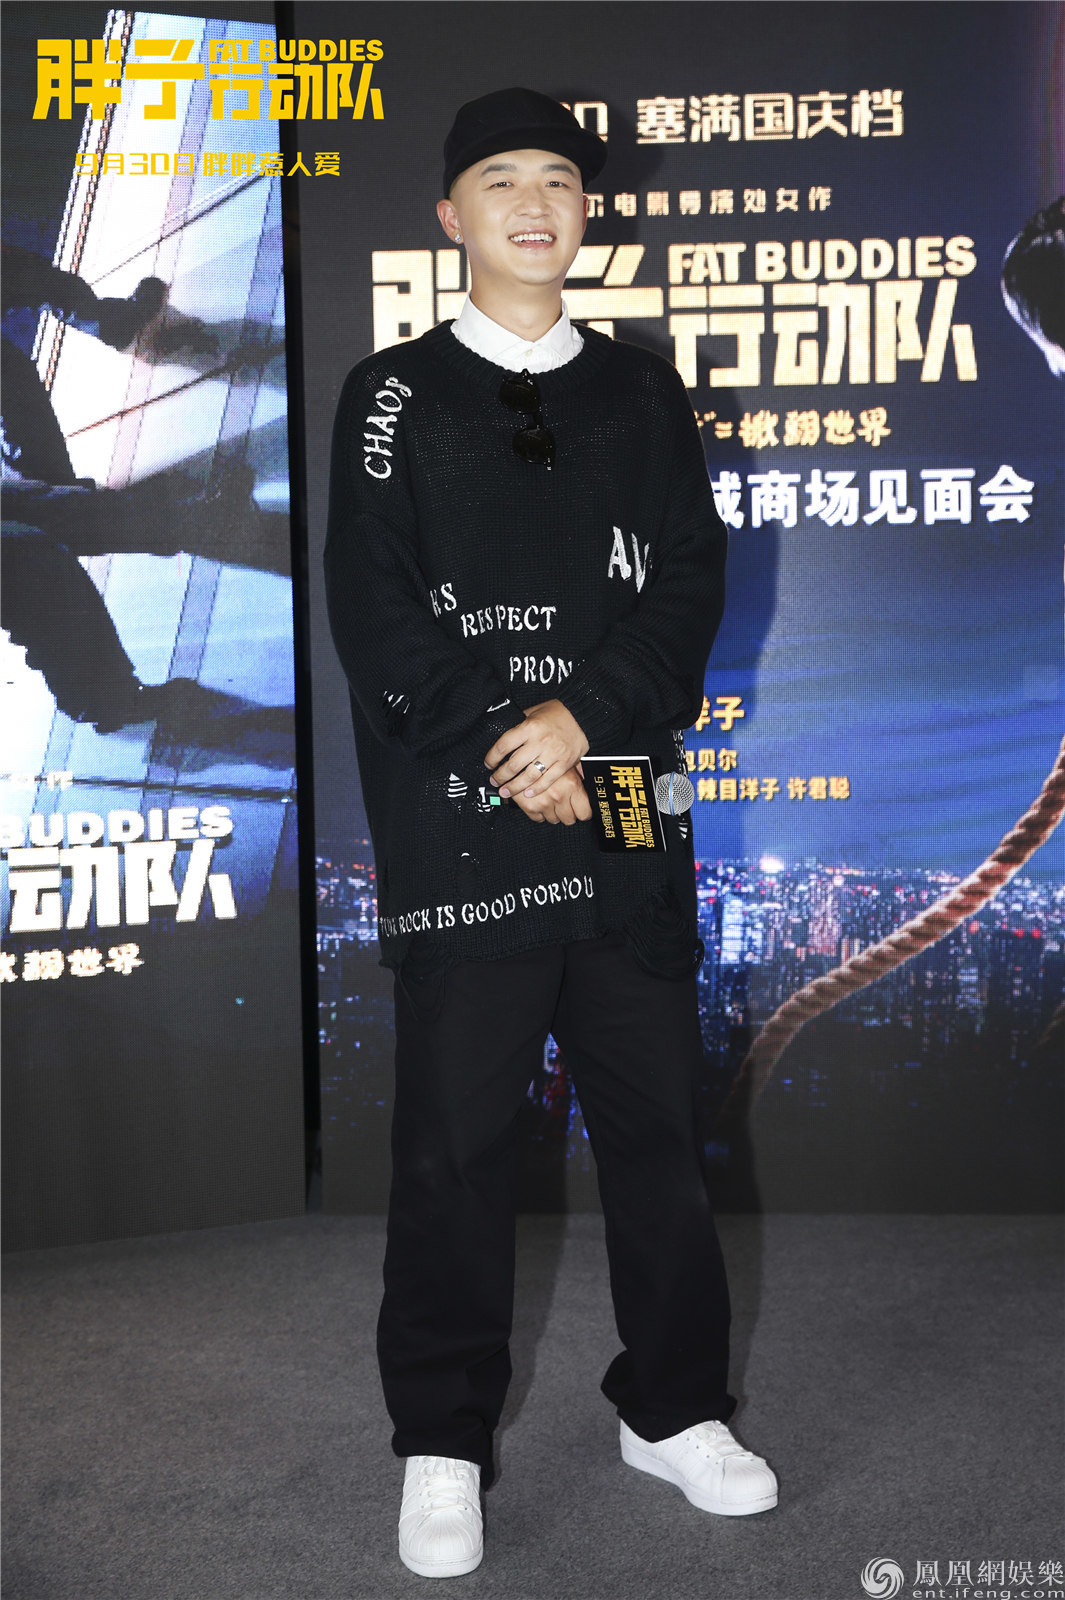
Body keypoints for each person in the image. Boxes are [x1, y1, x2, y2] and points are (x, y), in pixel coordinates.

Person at [323, 86, 777, 1580]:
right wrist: (510, 745)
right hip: (465, 812)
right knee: (455, 1146)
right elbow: (372, 602)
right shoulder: (389, 393)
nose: (534, 202)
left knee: (656, 1129)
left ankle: (675, 1408)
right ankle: (442, 1442)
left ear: (588, 213)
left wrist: (584, 720)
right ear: (450, 216)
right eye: (502, 179)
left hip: (627, 791)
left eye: (560, 180)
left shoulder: (643, 394)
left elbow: (690, 584)